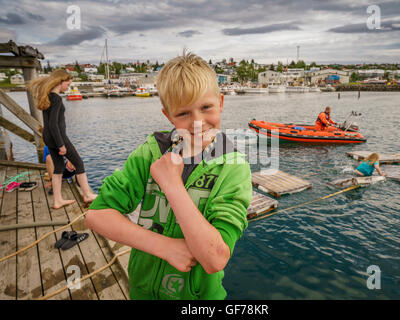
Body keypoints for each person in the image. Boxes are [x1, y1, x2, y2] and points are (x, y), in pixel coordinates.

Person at [85, 52, 252, 300]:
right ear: (168, 115)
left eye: (206, 107)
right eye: (183, 114)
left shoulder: (233, 167)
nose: (197, 122)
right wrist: (165, 248)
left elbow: (215, 258)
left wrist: (172, 185)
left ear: (221, 102)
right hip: (141, 291)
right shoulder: (151, 151)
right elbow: (97, 215)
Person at [28, 69, 97, 209]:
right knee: (79, 163)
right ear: (60, 82)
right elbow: (54, 124)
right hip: (58, 137)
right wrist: (61, 145)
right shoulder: (56, 98)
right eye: (68, 83)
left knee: (58, 168)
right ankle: (87, 195)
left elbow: (49, 124)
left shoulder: (47, 96)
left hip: (48, 137)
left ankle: (58, 200)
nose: (68, 87)